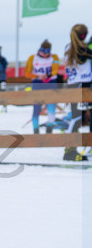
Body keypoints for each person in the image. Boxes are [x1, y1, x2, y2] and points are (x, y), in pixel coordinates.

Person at [63, 24, 91, 161]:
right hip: (82, 85)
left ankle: (70, 148)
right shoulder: (83, 49)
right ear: (83, 36)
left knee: (77, 117)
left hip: (73, 85)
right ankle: (70, 149)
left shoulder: (68, 47)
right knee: (77, 118)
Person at [25, 40, 60, 133]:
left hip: (51, 82)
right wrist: (37, 76)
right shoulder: (32, 58)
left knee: (51, 105)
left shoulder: (54, 57)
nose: (45, 55)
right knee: (36, 106)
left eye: (47, 53)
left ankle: (50, 127)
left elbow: (55, 69)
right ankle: (36, 128)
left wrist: (48, 75)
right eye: (43, 52)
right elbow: (27, 73)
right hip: (37, 83)